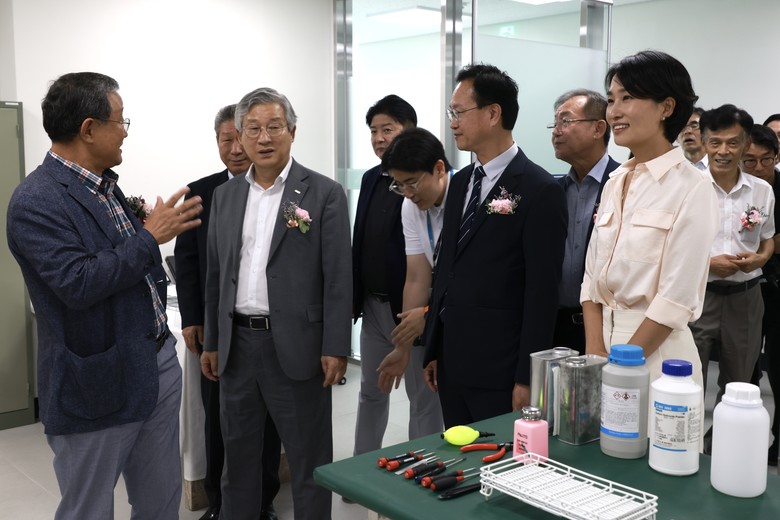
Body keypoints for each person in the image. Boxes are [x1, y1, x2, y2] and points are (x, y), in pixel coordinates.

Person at [6, 72, 203, 519]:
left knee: (161, 500)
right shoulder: (36, 200)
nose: (126, 132)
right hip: (96, 382)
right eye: (120, 120)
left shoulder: (106, 185)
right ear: (89, 129)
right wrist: (150, 237)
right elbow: (77, 282)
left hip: (155, 362)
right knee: (89, 509)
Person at [200, 87, 351, 520]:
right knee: (238, 461)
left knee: (308, 461)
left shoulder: (323, 193)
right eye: (253, 128)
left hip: (298, 345)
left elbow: (338, 277)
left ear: (292, 132)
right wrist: (213, 341)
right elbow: (216, 274)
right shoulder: (226, 196)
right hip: (237, 348)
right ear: (240, 135)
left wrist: (336, 345)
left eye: (274, 127)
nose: (264, 138)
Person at [422, 63, 567, 427]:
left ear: (492, 113)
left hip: (500, 367)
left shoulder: (539, 189)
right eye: (451, 114)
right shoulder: (460, 182)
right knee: (455, 450)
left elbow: (542, 292)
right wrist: (434, 346)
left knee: (500, 455)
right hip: (452, 360)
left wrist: (527, 377)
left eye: (459, 113)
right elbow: (447, 268)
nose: (453, 123)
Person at [581, 51, 718, 398]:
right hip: (602, 348)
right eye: (611, 100)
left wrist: (620, 366)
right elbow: (591, 279)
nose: (614, 111)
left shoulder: (692, 187)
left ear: (666, 107)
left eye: (627, 97)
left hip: (659, 358)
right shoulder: (615, 182)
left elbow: (676, 298)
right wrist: (595, 354)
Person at [174, 104, 281, 520]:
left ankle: (263, 501)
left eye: (241, 138)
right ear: (217, 142)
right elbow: (187, 263)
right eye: (227, 139)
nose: (236, 148)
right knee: (219, 420)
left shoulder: (279, 191)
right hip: (217, 331)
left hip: (267, 330)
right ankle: (220, 503)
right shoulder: (200, 193)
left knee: (266, 421)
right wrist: (192, 319)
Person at [351, 95, 441, 458]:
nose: (378, 138)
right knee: (372, 388)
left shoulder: (431, 186)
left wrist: (421, 315)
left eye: (387, 129)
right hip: (374, 306)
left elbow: (420, 269)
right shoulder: (372, 178)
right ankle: (360, 467)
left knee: (423, 396)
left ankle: (424, 467)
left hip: (413, 310)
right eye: (373, 131)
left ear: (410, 130)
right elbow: (361, 240)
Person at [690, 106, 775, 453]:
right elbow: (667, 246)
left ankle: (722, 453)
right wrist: (707, 263)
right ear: (704, 142)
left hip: (746, 297)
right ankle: (687, 450)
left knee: (739, 386)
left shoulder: (761, 191)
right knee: (688, 381)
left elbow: (767, 238)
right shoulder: (687, 184)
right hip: (697, 295)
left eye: (733, 143)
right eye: (715, 142)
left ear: (746, 143)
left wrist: (761, 258)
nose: (723, 151)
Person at [375, 128, 452, 396]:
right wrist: (403, 347)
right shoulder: (411, 206)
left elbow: (475, 280)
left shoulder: (467, 197)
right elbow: (417, 277)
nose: (407, 193)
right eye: (399, 185)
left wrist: (429, 315)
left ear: (439, 169)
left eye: (412, 183)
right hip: (445, 310)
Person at [550, 89, 619, 353]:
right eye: (555, 123)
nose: (556, 131)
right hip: (555, 325)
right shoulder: (554, 190)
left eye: (566, 121)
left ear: (598, 128)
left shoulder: (623, 183)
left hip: (608, 325)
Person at [741, 124, 780, 466]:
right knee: (746, 370)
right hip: (747, 287)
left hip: (777, 288)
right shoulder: (740, 189)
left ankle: (776, 443)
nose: (758, 168)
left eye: (765, 160)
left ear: (776, 156)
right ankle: (743, 439)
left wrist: (764, 247)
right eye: (749, 161)